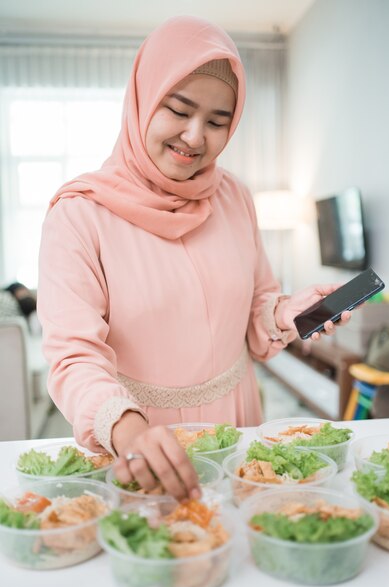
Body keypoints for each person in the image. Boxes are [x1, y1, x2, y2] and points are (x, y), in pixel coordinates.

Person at [37, 16, 351, 501]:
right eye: (179, 110)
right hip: (141, 440)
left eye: (218, 121)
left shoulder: (236, 198)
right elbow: (73, 356)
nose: (195, 137)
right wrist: (128, 431)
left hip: (237, 419)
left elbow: (256, 303)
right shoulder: (79, 214)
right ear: (143, 100)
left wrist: (286, 311)